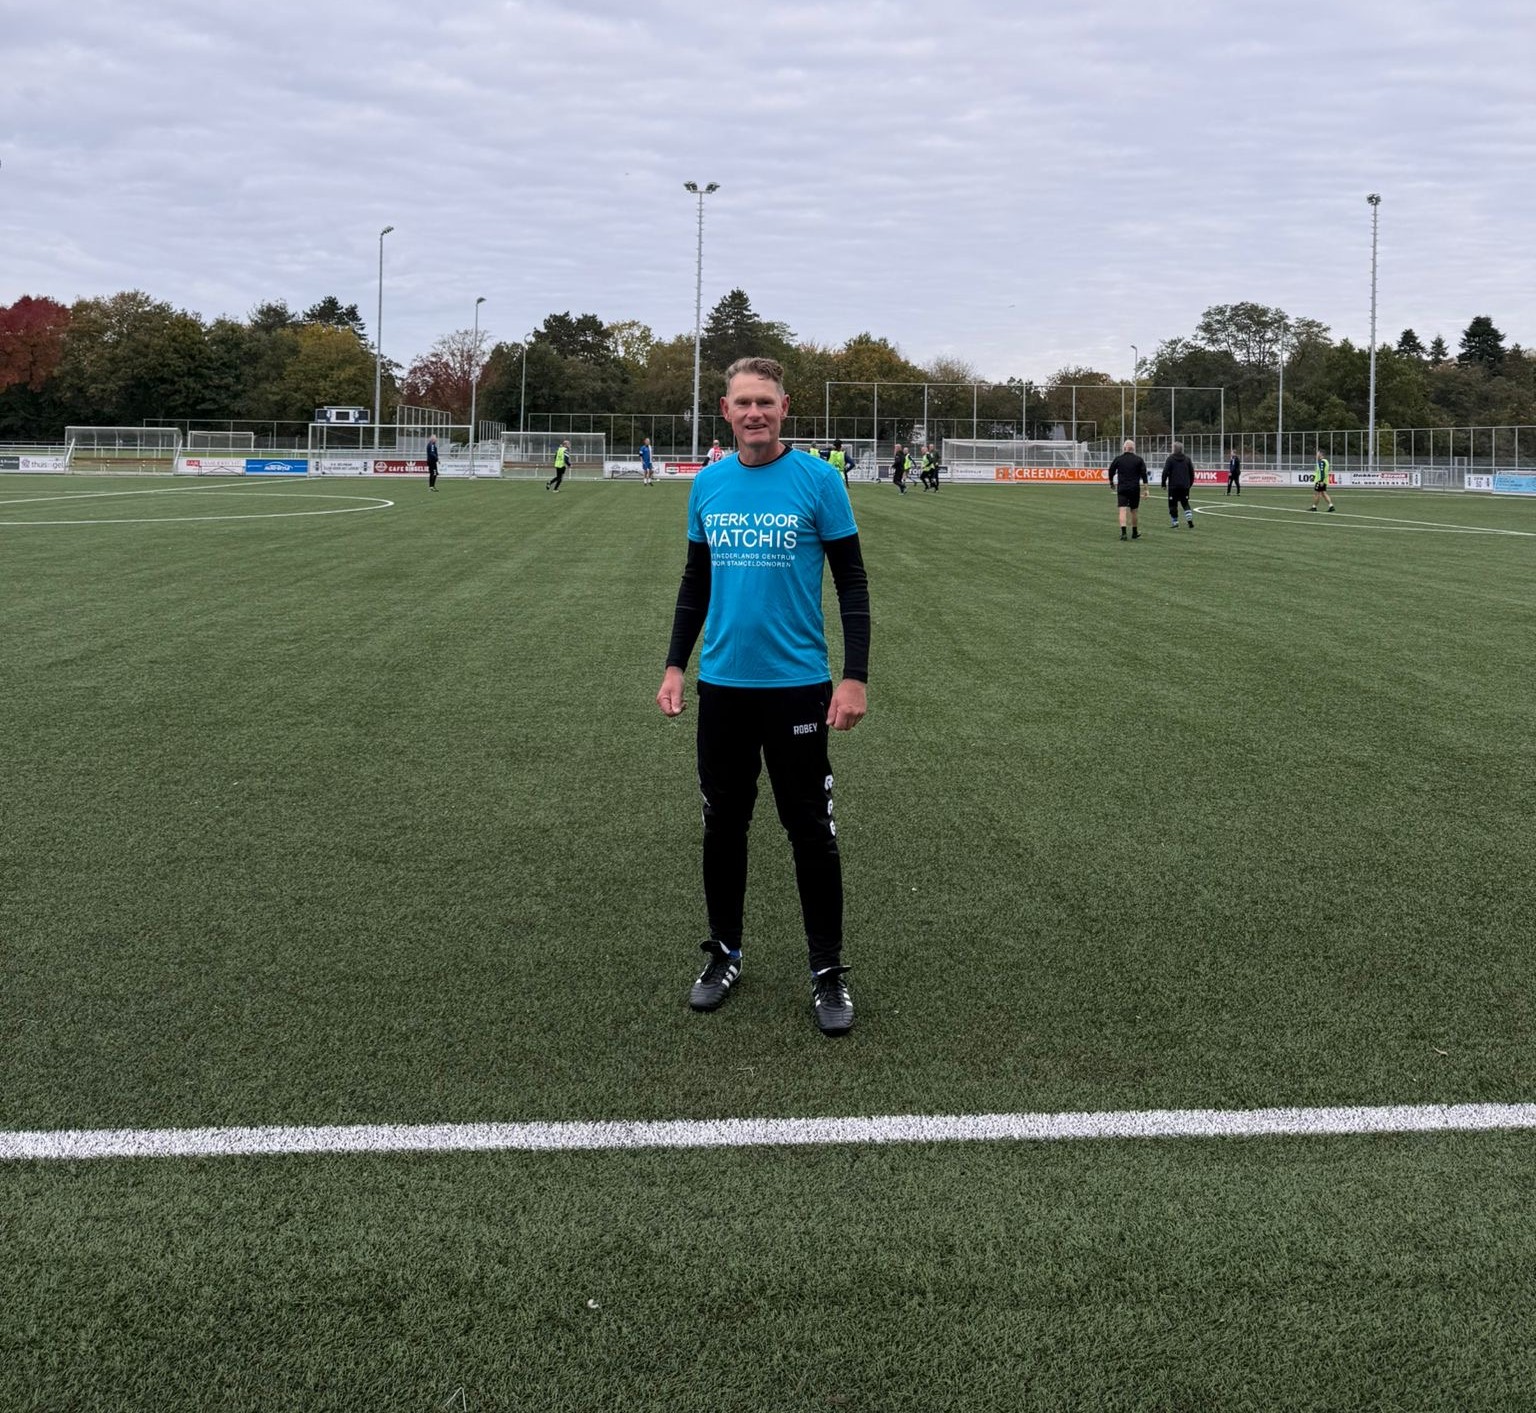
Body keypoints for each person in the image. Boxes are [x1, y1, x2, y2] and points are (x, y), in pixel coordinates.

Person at [657, 355, 870, 1037]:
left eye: (766, 403)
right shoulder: (708, 484)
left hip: (798, 688)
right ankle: (723, 953)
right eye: (743, 402)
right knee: (723, 824)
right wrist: (673, 667)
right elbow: (696, 584)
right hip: (723, 688)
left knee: (810, 829)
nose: (755, 413)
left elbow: (853, 584)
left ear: (785, 408)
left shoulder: (819, 479)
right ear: (726, 411)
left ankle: (827, 970)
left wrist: (854, 674)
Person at [1107, 439, 1149, 540]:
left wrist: (1111, 482)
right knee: (1134, 511)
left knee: (1122, 510)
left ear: (1124, 448)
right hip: (1134, 488)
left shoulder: (1119, 459)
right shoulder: (1139, 460)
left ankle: (1124, 533)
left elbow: (1111, 471)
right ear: (1133, 449)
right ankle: (1134, 532)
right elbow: (1144, 475)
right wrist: (1146, 489)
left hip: (1122, 488)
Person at [1162, 442, 1196, 530]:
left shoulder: (1170, 459)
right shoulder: (1187, 459)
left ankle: (1175, 522)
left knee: (1173, 504)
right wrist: (1189, 484)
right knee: (1185, 503)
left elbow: (1165, 471)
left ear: (1174, 449)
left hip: (1173, 486)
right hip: (1185, 486)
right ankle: (1190, 520)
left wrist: (1163, 483)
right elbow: (1192, 473)